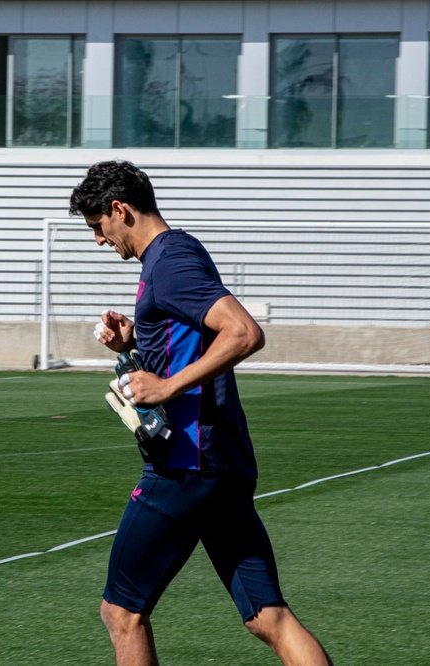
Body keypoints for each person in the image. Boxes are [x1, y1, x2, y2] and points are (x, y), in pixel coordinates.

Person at [69, 160, 332, 666]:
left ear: (120, 209)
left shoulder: (169, 261)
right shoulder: (174, 255)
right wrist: (133, 345)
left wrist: (165, 385)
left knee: (121, 612)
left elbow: (244, 332)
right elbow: (192, 344)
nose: (100, 242)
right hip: (221, 464)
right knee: (266, 616)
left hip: (186, 464)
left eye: (98, 228)